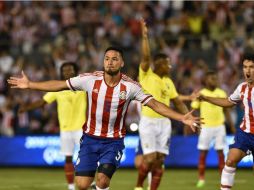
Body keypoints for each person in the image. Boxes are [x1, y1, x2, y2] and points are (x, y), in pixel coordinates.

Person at [7, 46, 201, 190]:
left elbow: (156, 105)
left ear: (122, 63)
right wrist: (31, 84)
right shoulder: (90, 80)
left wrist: (181, 117)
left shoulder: (130, 86)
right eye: (107, 58)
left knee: (102, 180)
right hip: (90, 139)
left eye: (115, 59)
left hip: (113, 141)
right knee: (82, 184)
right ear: (103, 62)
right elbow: (59, 85)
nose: (110, 61)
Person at [134, 19, 190, 190]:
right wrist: (145, 37)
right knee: (149, 158)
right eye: (167, 63)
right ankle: (138, 185)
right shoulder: (146, 75)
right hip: (149, 122)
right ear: (159, 64)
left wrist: (187, 118)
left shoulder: (168, 82)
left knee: (160, 160)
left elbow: (177, 102)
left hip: (164, 123)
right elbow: (145, 57)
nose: (170, 66)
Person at [18, 62, 92, 190]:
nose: (67, 72)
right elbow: (42, 102)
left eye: (70, 69)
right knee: (68, 158)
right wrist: (26, 108)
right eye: (65, 70)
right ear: (61, 72)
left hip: (81, 129)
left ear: (75, 71)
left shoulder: (82, 86)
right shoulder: (57, 89)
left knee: (86, 158)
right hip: (65, 130)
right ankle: (71, 186)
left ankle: (89, 182)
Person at [194, 54, 254, 190]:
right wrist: (207, 98)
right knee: (230, 160)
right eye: (245, 67)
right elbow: (228, 102)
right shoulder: (242, 87)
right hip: (245, 132)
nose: (248, 71)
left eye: (251, 67)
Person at [190, 70, 235, 188]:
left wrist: (231, 125)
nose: (214, 80)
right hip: (205, 127)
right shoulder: (201, 93)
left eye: (215, 78)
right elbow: (193, 110)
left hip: (220, 126)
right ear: (205, 80)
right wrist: (190, 124)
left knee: (221, 152)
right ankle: (201, 179)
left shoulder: (221, 92)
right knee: (203, 152)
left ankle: (223, 178)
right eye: (212, 78)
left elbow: (227, 110)